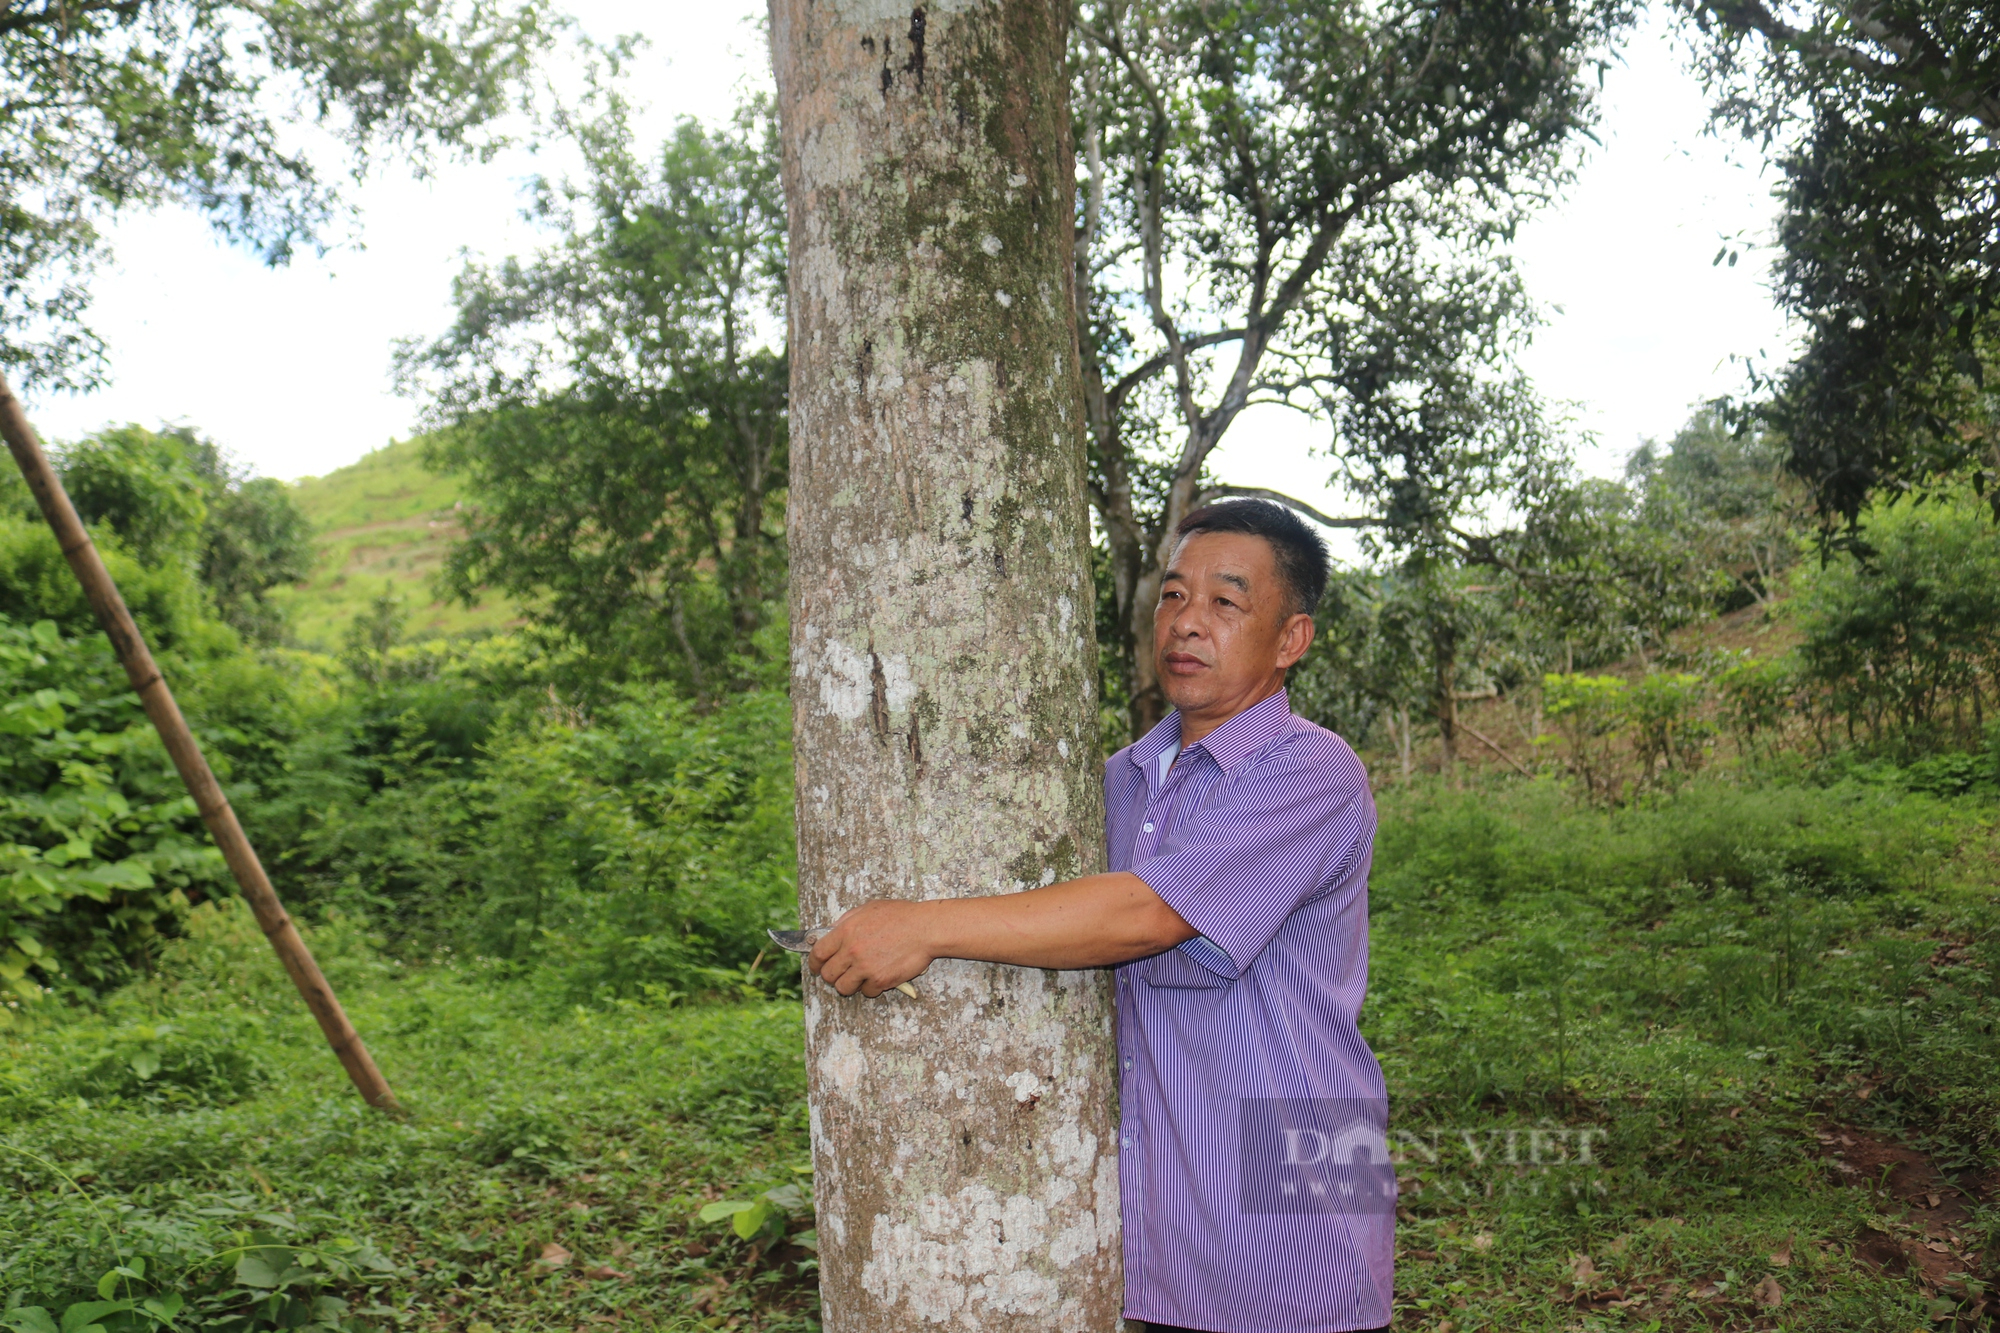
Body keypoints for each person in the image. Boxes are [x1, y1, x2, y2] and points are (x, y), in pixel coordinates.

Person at [805, 499, 1393, 1333]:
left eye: (1225, 603)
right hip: (1163, 1232)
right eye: (1172, 596)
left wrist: (924, 926)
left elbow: (1147, 913)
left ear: (1291, 639)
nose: (1187, 623)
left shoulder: (1313, 771)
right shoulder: (1121, 778)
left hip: (1291, 1217)